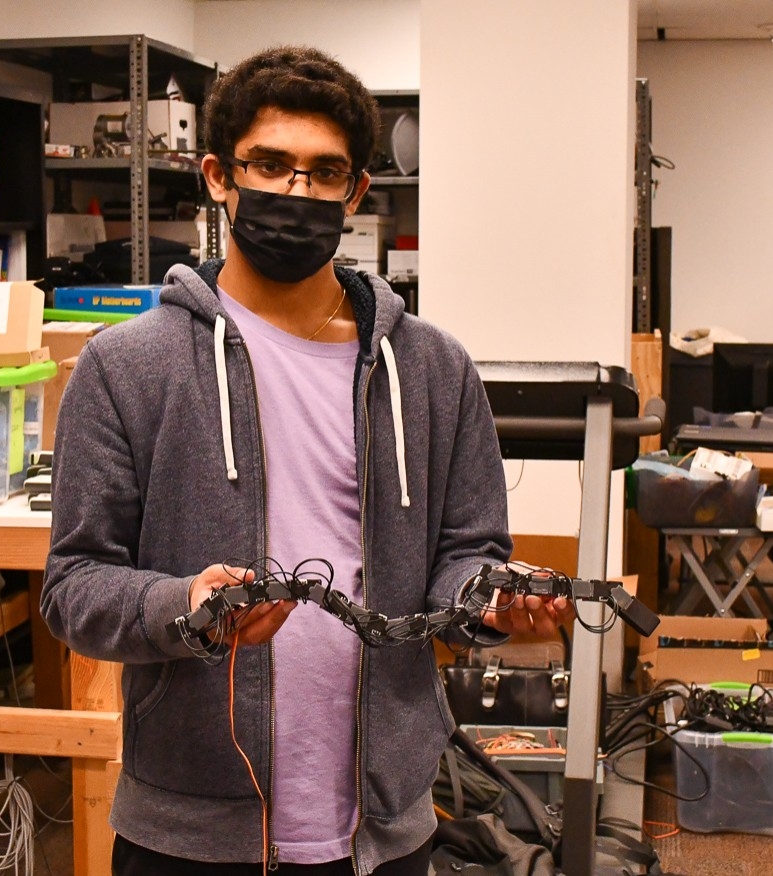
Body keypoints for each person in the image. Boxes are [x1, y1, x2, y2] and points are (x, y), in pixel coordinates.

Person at [41, 45, 575, 876]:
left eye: (324, 173)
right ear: (219, 175)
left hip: (384, 823)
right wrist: (185, 604)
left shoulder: (433, 368)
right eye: (271, 165)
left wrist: (487, 600)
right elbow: (74, 586)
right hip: (188, 829)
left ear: (357, 191)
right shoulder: (127, 367)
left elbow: (466, 552)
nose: (296, 193)